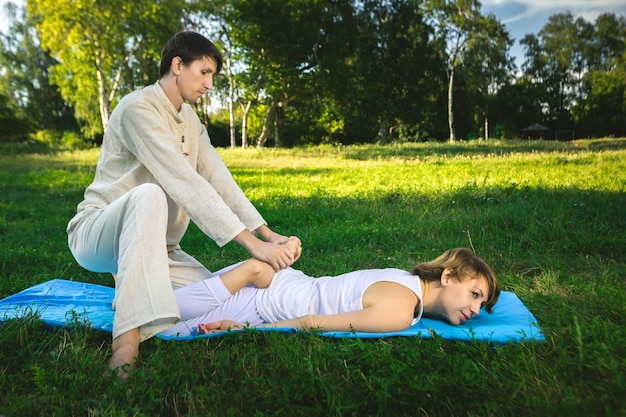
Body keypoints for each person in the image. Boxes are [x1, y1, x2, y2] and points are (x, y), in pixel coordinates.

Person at [66, 31, 301, 379]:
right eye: (204, 72)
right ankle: (125, 346)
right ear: (178, 65)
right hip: (98, 232)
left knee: (210, 295)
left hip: (160, 249)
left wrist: (267, 234)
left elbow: (220, 181)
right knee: (150, 194)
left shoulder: (191, 121)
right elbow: (182, 179)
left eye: (213, 76)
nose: (209, 83)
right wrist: (252, 247)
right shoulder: (137, 107)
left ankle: (135, 291)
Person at [159, 247, 500, 338]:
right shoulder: (400, 309)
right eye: (474, 294)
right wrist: (244, 330)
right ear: (448, 276)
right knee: (156, 324)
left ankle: (137, 294)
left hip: (284, 284)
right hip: (265, 299)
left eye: (481, 304)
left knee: (162, 304)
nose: (475, 307)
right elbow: (310, 322)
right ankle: (252, 268)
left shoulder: (404, 279)